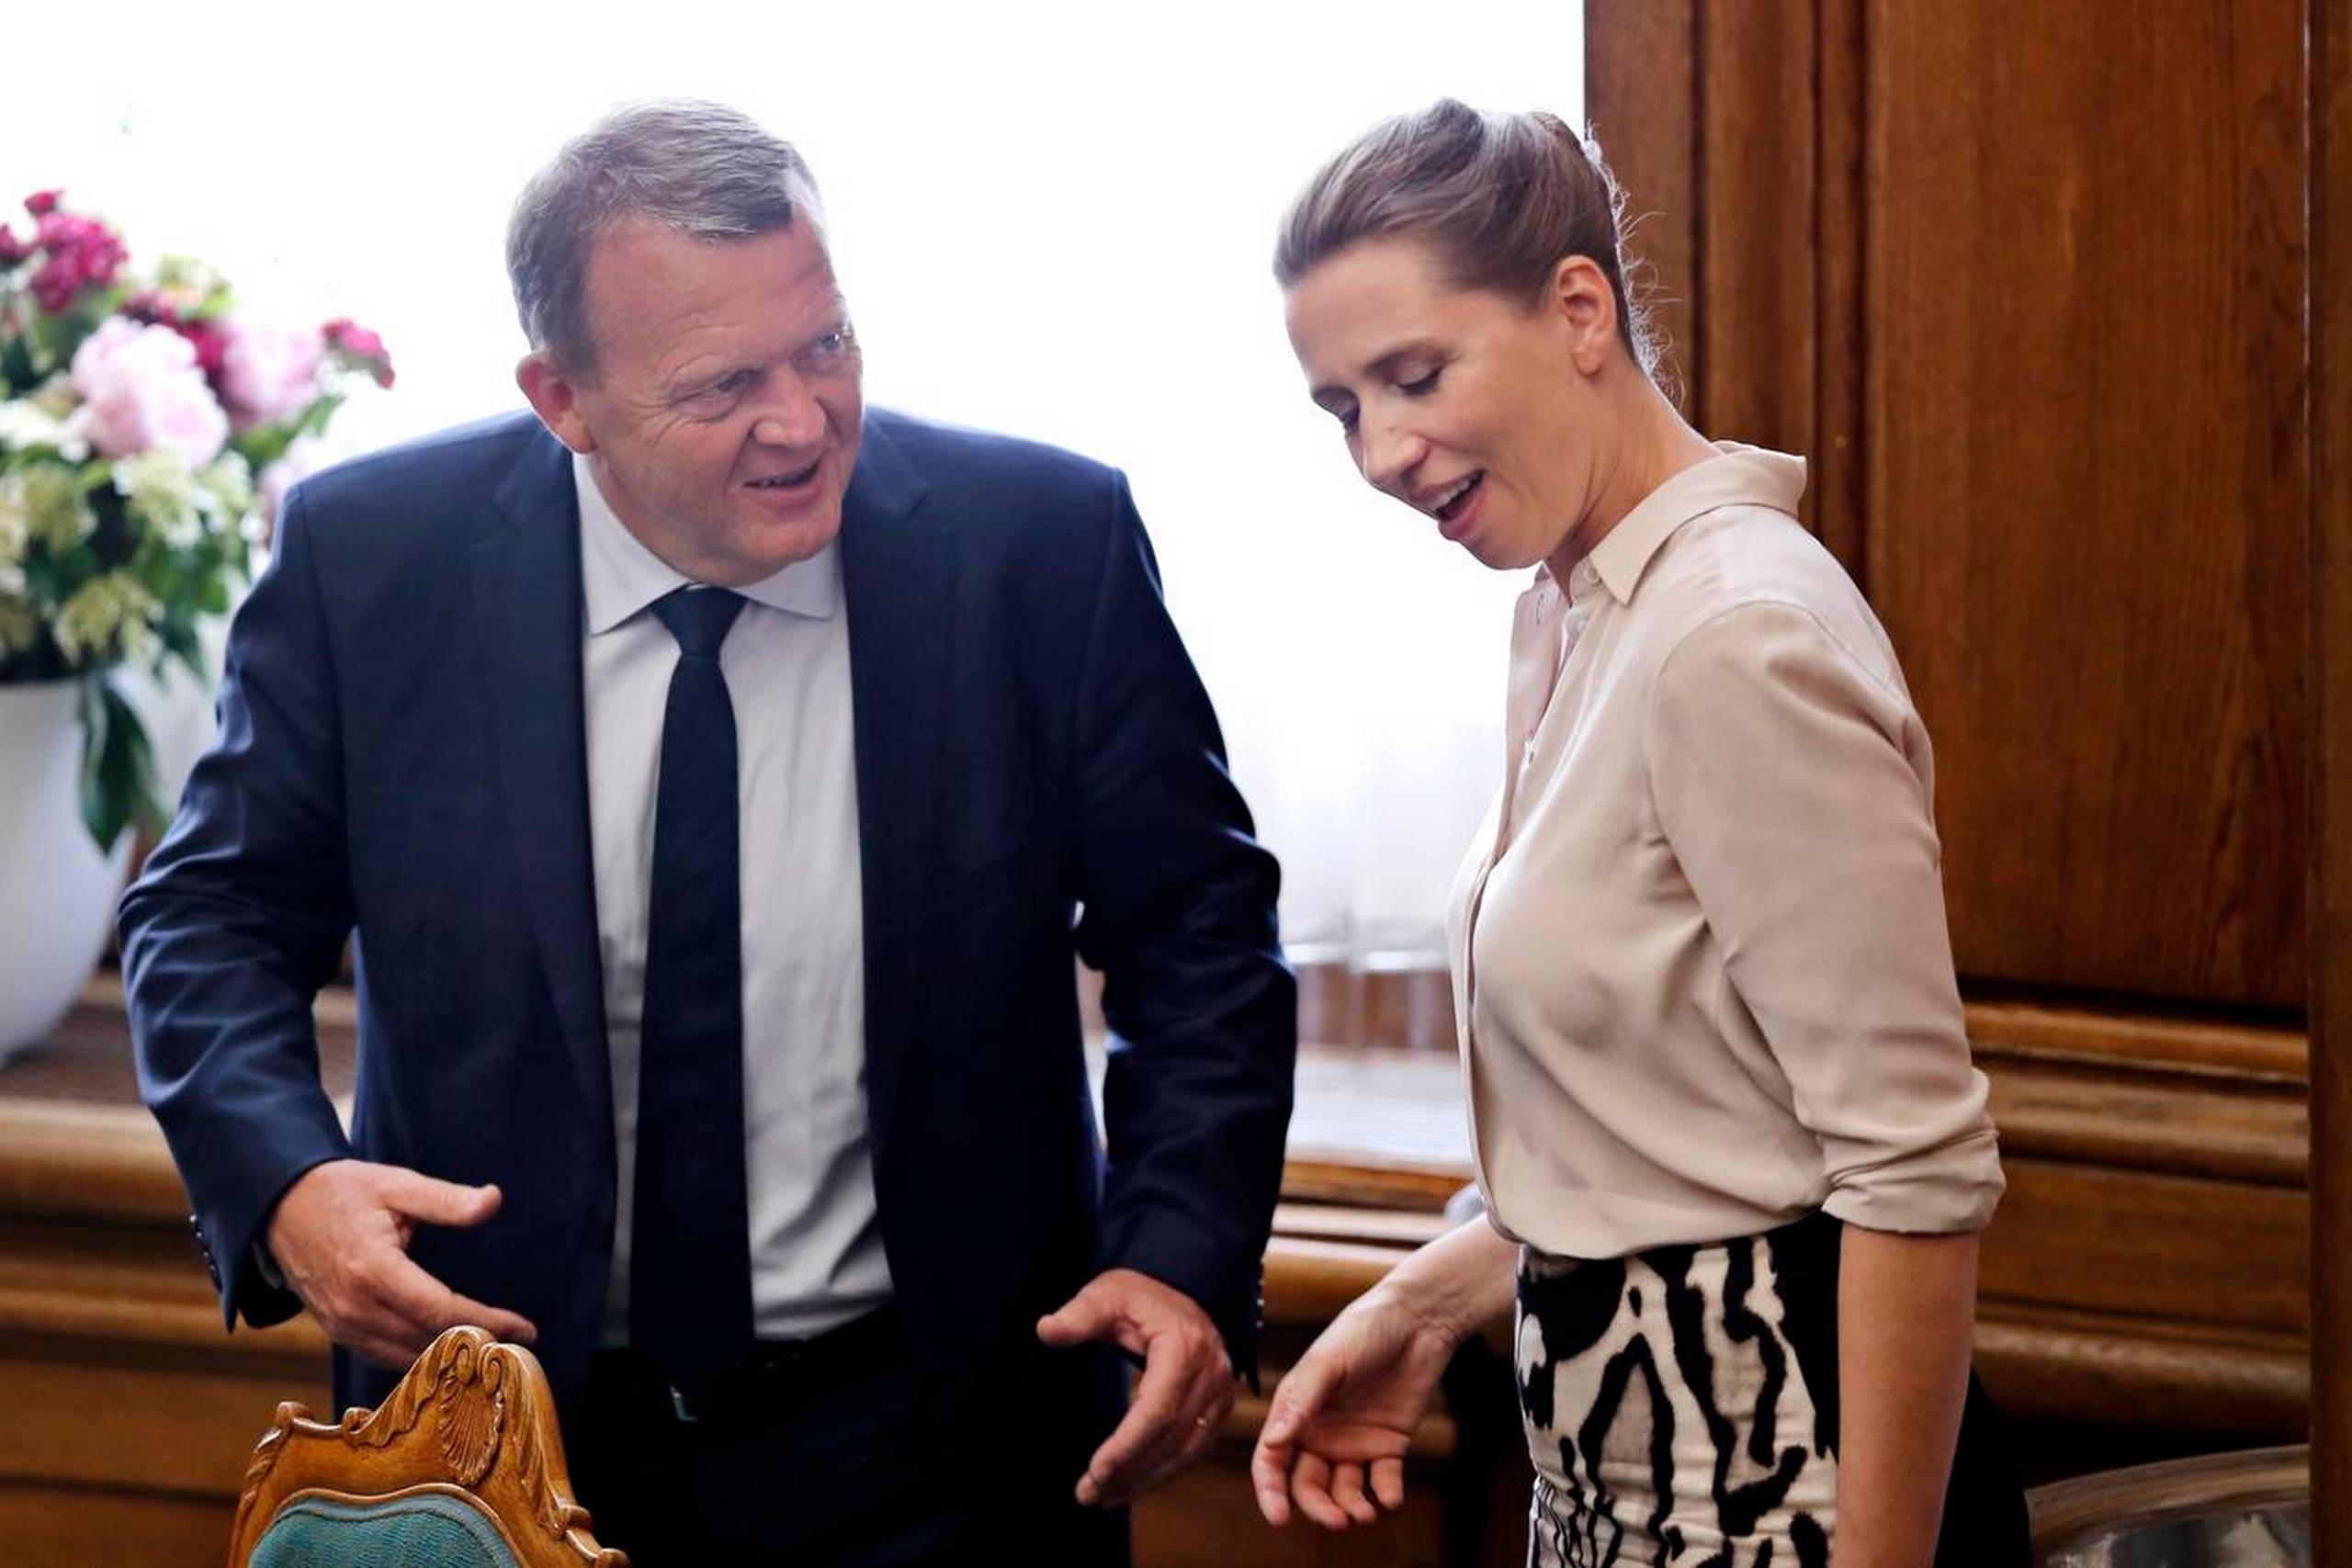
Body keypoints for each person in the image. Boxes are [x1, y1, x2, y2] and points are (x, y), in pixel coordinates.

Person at [119, 99, 1295, 1566]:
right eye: (725, 383)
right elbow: (212, 918)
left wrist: (1182, 1253)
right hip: (493, 1440)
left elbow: (1200, 936)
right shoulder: (375, 562)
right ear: (564, 399)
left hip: (945, 1443)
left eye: (827, 345)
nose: (802, 420)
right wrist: (288, 1182)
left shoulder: (1036, 549)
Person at [1250, 100, 2025, 1567]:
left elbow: (1914, 1173)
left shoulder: (1730, 633)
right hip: (1614, 1480)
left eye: (1413, 376)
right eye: (1343, 406)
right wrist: (1420, 1308)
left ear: (1580, 308)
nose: (1379, 453)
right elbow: (1682, 1133)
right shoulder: (1569, 608)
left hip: (1780, 1492)